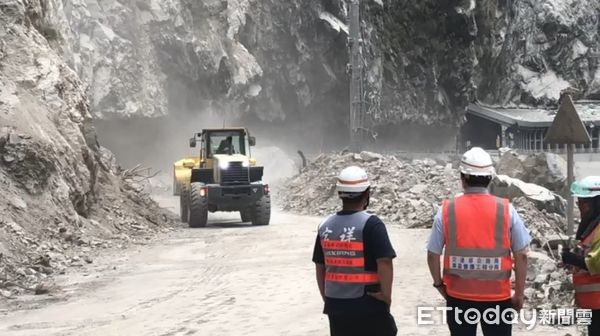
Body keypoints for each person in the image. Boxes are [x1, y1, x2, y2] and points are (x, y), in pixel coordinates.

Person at [426, 147, 531, 336]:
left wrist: (439, 284)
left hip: (459, 296)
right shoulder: (506, 210)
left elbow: (433, 254)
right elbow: (521, 254)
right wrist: (519, 294)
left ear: (463, 178)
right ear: (490, 178)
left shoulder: (446, 210)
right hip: (497, 297)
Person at [312, 166, 397, 336]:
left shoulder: (325, 225)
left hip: (336, 305)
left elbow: (320, 266)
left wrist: (327, 297)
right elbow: (385, 262)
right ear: (367, 194)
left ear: (339, 194)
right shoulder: (372, 224)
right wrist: (387, 296)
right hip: (368, 303)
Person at [561, 176, 600, 335]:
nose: (580, 207)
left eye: (584, 203)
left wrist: (572, 259)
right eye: (579, 203)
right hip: (593, 304)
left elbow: (596, 263)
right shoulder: (593, 228)